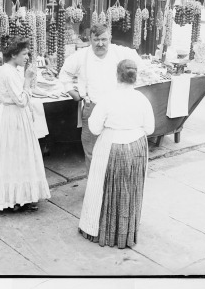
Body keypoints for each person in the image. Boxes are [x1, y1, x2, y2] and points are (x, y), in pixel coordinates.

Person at [78, 59, 155, 248]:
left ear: (117, 75)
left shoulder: (107, 98)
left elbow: (94, 129)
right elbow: (150, 128)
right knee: (129, 191)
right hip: (137, 147)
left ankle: (102, 231)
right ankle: (125, 233)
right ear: (134, 77)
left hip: (111, 146)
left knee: (103, 188)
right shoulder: (142, 99)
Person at [59, 24, 144, 175]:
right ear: (90, 39)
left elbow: (140, 64)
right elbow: (64, 74)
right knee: (92, 152)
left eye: (104, 39)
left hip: (117, 109)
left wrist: (128, 89)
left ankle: (110, 187)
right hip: (93, 107)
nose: (100, 43)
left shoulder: (119, 52)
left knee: (114, 150)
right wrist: (73, 93)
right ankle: (94, 190)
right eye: (96, 39)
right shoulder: (81, 56)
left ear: (109, 38)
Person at [0, 36, 51, 211]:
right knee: (16, 155)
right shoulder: (8, 72)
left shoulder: (11, 70)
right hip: (14, 116)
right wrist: (28, 80)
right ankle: (14, 199)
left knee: (17, 155)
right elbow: (21, 99)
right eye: (24, 54)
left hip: (14, 115)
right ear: (14, 55)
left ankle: (19, 197)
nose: (27, 57)